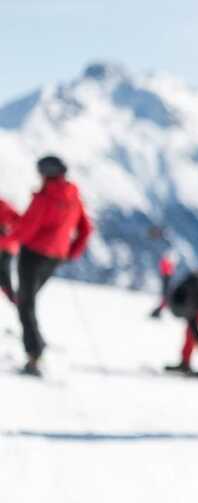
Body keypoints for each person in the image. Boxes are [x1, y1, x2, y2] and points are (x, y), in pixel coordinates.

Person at [0, 156, 92, 376]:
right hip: (55, 257)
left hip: (33, 255)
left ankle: (34, 355)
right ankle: (37, 344)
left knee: (25, 304)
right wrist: (70, 252)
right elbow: (86, 229)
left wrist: (4, 238)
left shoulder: (44, 198)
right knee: (27, 301)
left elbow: (25, 230)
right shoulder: (73, 196)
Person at [0, 197, 20, 303]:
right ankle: (11, 295)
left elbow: (18, 223)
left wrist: (6, 229)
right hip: (6, 245)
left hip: (9, 246)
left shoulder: (4, 207)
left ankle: (13, 296)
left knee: (3, 270)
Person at [149, 252, 176, 318]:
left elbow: (170, 270)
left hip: (166, 280)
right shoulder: (165, 262)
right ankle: (156, 313)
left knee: (165, 300)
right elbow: (169, 270)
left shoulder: (166, 262)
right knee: (165, 299)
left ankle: (156, 313)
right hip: (166, 279)